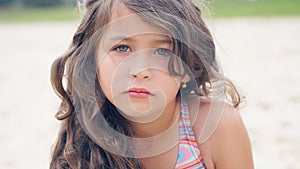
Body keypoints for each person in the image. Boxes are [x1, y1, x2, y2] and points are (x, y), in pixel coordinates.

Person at [50, 0, 254, 168]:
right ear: (92, 62)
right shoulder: (81, 142)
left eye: (162, 52)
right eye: (122, 48)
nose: (140, 70)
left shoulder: (216, 127)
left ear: (187, 67)